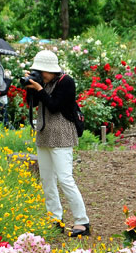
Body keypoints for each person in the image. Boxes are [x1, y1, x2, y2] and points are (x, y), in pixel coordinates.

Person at [24, 50, 90, 237]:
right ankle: (55, 219)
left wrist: (39, 89)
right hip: (44, 135)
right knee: (47, 180)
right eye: (38, 71)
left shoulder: (66, 82)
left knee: (65, 179)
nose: (41, 74)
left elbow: (53, 105)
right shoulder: (42, 82)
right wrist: (30, 89)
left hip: (61, 135)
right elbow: (34, 104)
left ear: (52, 70)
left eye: (43, 71)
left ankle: (82, 221)